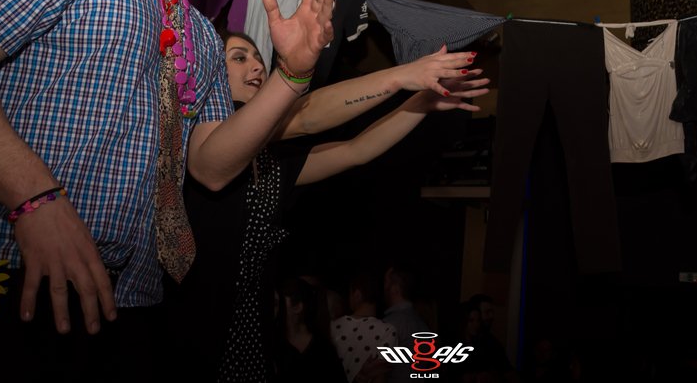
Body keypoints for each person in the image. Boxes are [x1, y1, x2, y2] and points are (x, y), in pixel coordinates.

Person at [0, 0, 335, 379]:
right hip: (7, 271)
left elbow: (210, 167)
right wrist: (33, 198)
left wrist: (293, 76)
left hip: (130, 298)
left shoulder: (201, 33)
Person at [160, 31, 489, 381]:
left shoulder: (270, 163)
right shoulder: (196, 137)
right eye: (240, 57)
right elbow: (306, 116)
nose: (257, 66)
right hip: (197, 335)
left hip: (252, 342)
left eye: (258, 58)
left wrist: (422, 103)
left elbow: (357, 150)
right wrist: (401, 76)